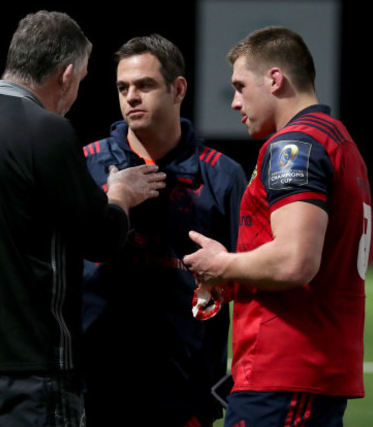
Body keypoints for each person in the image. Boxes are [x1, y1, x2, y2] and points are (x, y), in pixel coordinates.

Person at [0, 11, 166, 427]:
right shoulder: (47, 130)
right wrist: (120, 196)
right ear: (66, 75)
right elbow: (101, 239)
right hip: (31, 364)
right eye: (84, 79)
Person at [183, 26, 371, 427]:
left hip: (285, 369)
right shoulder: (339, 141)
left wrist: (223, 264)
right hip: (307, 368)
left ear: (274, 79)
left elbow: (294, 262)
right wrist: (232, 277)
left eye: (239, 86)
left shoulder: (294, 146)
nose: (234, 102)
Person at [81, 34, 248, 427]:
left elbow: (251, 286)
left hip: (185, 394)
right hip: (94, 388)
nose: (131, 97)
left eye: (144, 85)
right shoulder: (85, 165)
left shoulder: (223, 176)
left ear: (178, 89)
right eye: (123, 87)